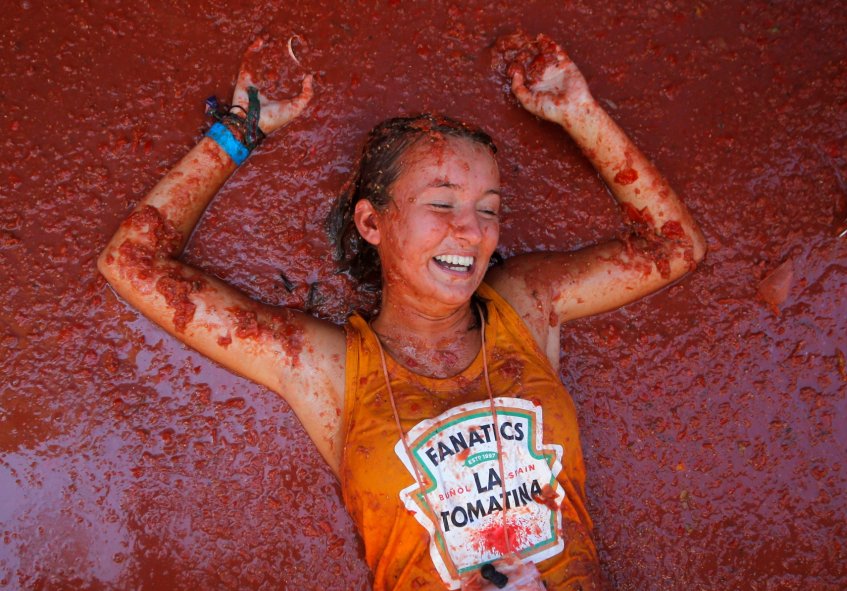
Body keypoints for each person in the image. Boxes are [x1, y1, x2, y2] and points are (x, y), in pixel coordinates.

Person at [97, 33, 706, 590]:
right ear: (371, 222)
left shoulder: (526, 306)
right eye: (442, 204)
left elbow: (674, 247)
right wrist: (238, 131)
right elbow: (131, 262)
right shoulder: (329, 369)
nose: (471, 231)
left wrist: (580, 113)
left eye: (489, 209)